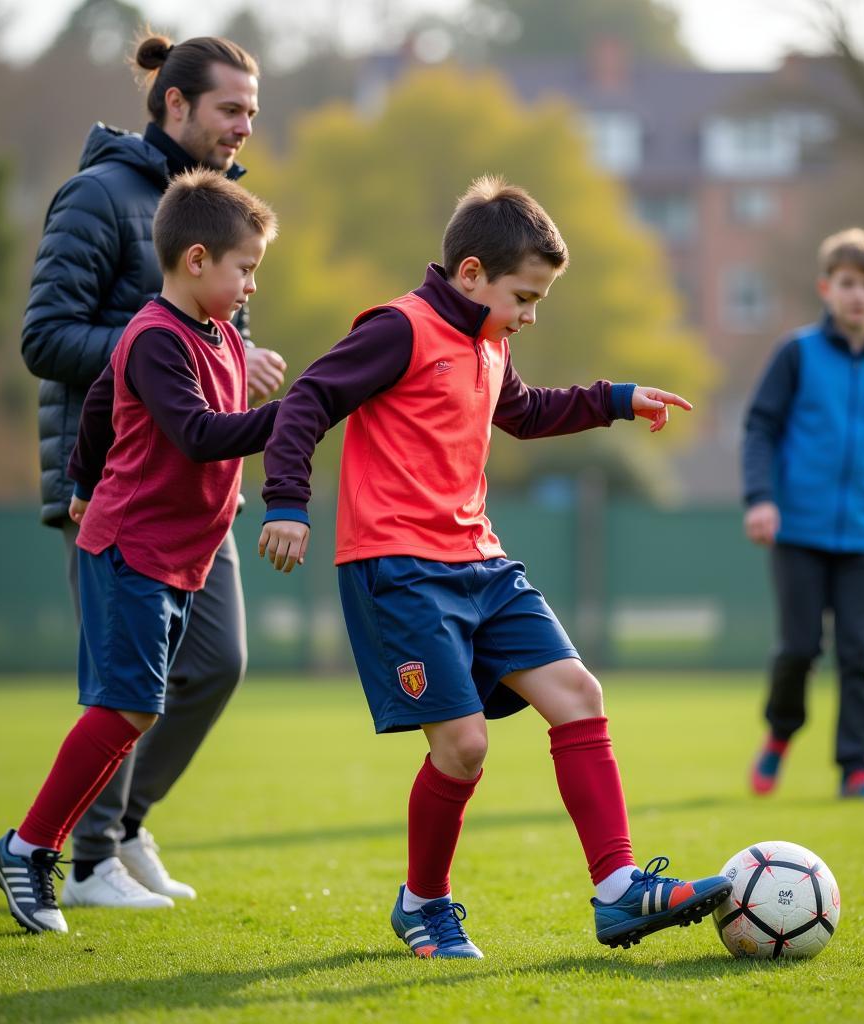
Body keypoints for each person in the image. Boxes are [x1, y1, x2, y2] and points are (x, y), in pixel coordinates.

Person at [257, 175, 731, 959]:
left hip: (481, 561)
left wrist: (615, 398)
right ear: (470, 274)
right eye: (524, 296)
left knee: (579, 693)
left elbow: (522, 412)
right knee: (464, 746)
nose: (530, 315)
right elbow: (308, 399)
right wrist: (284, 500)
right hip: (399, 568)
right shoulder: (398, 329)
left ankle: (618, 892)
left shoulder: (489, 339)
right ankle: (424, 904)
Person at [19, 33, 286, 909]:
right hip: (119, 487)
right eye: (230, 109)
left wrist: (234, 364)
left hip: (201, 494)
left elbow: (213, 340)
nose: (245, 125)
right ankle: (86, 856)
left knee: (215, 664)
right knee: (127, 685)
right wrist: (164, 356)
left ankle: (122, 828)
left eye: (252, 110)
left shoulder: (221, 211)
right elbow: (46, 337)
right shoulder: (97, 196)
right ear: (175, 104)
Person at [742, 227, 864, 804]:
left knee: (860, 654)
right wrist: (760, 499)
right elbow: (760, 428)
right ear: (827, 288)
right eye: (848, 283)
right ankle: (781, 730)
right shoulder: (796, 353)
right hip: (796, 529)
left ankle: (857, 769)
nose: (858, 295)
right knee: (799, 649)